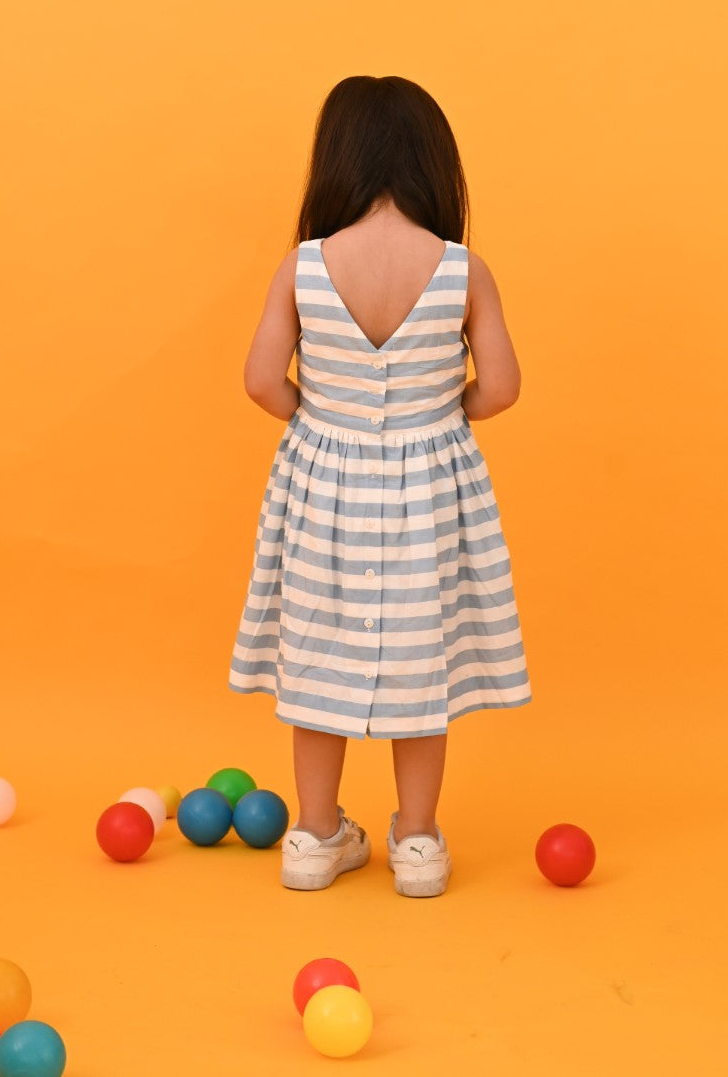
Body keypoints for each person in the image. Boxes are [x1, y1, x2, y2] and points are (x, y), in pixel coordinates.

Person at [229, 75, 532, 897]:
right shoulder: (463, 269)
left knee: (317, 657)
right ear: (436, 163)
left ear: (336, 161)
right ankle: (420, 844)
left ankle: (314, 835)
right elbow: (500, 388)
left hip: (324, 485)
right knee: (419, 662)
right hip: (430, 491)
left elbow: (261, 379)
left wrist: (321, 420)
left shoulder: (304, 266)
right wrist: (443, 414)